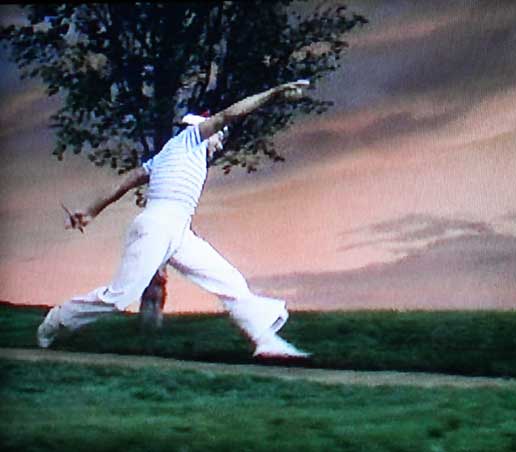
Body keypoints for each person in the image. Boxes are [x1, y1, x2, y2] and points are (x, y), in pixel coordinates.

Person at [37, 80, 311, 359]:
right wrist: (272, 93)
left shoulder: (168, 155)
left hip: (178, 230)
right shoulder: (191, 138)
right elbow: (228, 115)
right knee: (120, 296)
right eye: (219, 135)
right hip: (158, 224)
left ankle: (266, 340)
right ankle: (56, 320)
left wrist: (92, 211)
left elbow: (126, 181)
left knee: (229, 280)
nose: (220, 141)